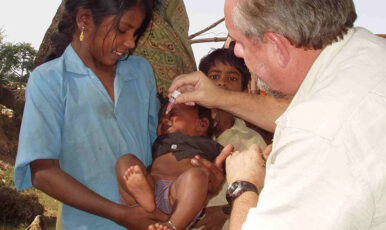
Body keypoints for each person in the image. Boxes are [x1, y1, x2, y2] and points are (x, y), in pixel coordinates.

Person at [168, 0, 386, 229]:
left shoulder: (319, 136)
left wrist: (243, 186)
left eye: (240, 43)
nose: (238, 53)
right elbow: (303, 111)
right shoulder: (371, 53)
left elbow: (320, 128)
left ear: (277, 45)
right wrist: (220, 98)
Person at [14, 0, 166, 229]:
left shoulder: (140, 72)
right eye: (122, 30)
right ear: (84, 20)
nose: (130, 42)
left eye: (136, 32)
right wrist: (120, 214)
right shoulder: (49, 80)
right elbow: (44, 173)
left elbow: (155, 149)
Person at [116, 102, 226, 230]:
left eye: (172, 114)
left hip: (179, 196)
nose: (164, 119)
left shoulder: (210, 146)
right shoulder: (160, 141)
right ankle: (144, 199)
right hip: (151, 185)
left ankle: (173, 225)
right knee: (126, 160)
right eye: (161, 118)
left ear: (202, 124)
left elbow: (230, 168)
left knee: (197, 176)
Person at [193, 48, 267, 230]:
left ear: (244, 90)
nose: (222, 84)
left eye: (232, 78)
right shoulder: (187, 132)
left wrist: (224, 211)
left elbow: (265, 194)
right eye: (214, 76)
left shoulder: (252, 142)